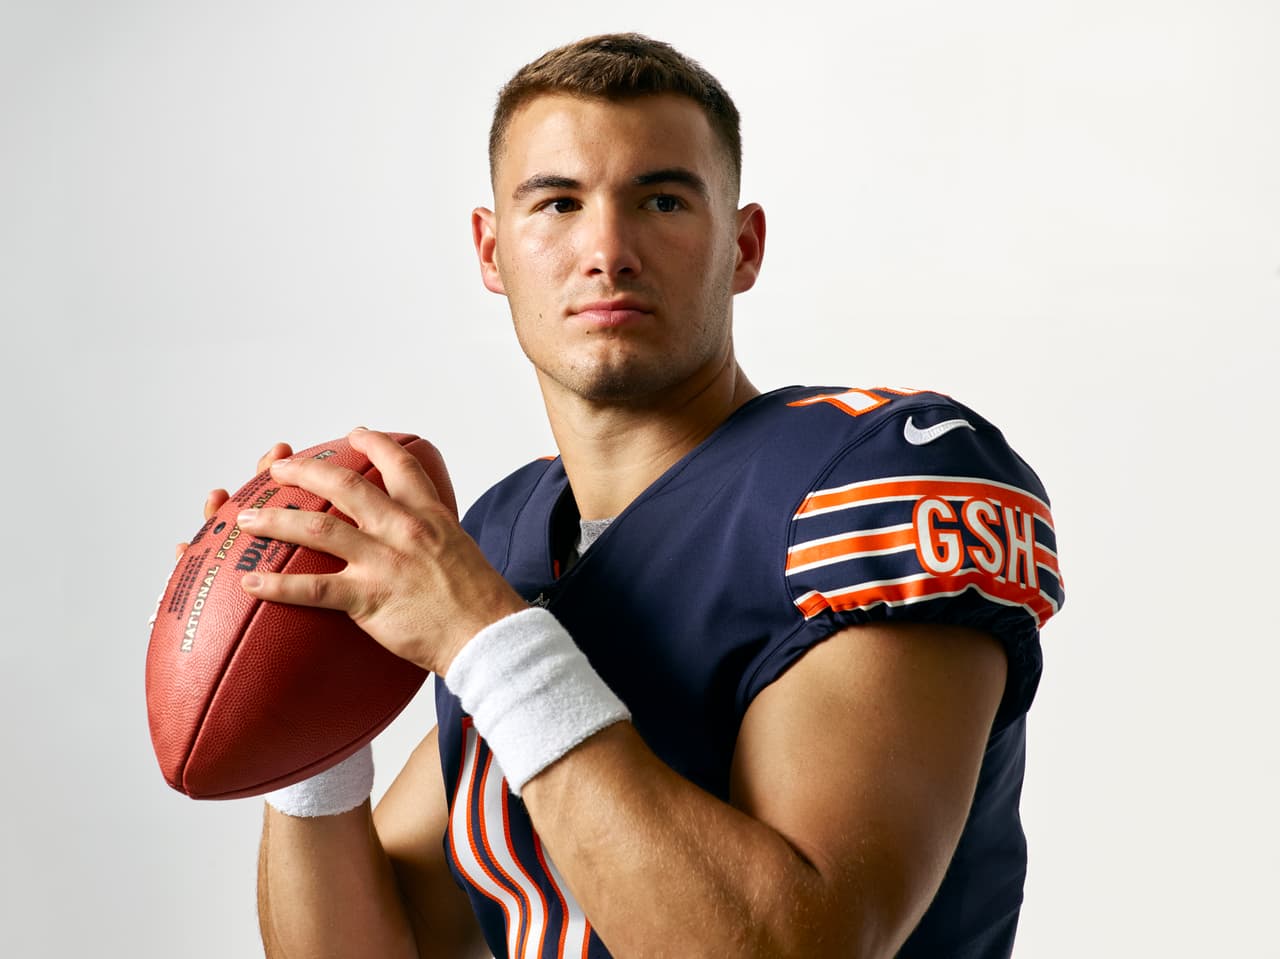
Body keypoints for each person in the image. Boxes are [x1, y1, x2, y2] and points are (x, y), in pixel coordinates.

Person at [197, 33, 1063, 958]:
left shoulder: (871, 475)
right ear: (493, 252)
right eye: (558, 203)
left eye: (660, 200)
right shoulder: (504, 536)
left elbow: (799, 946)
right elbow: (386, 945)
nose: (606, 250)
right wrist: (306, 722)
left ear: (744, 244)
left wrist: (484, 638)